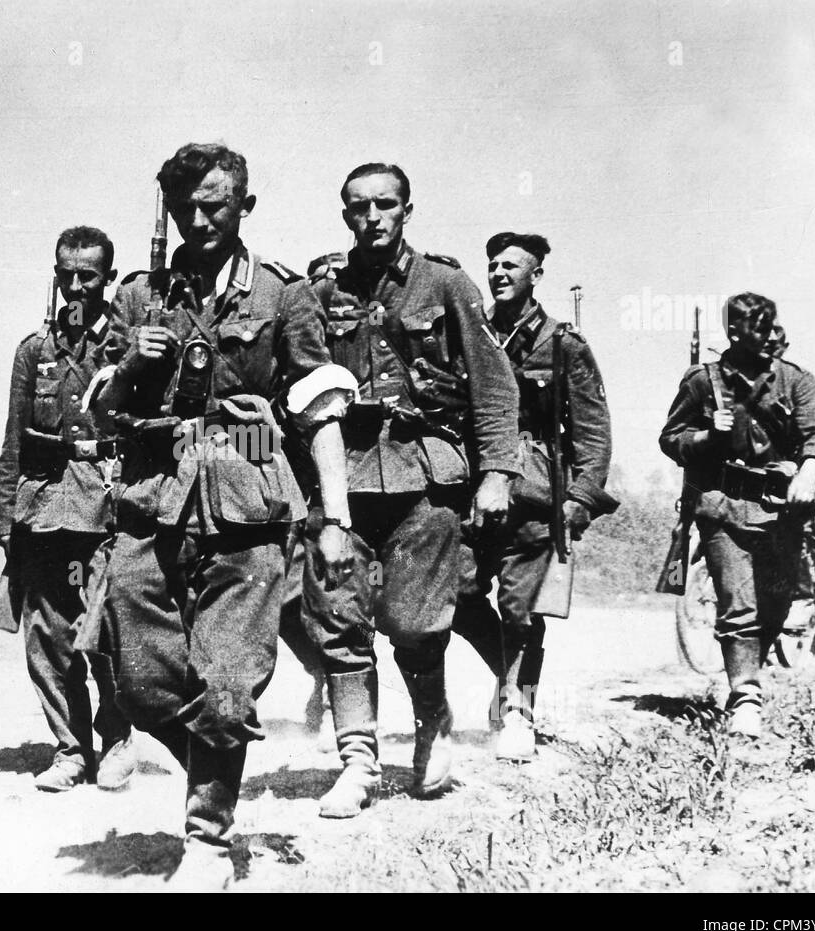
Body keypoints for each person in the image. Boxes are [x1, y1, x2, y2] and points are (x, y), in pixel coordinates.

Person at [93, 143, 356, 889]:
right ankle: (217, 761)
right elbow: (103, 409)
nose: (200, 219)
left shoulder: (284, 295)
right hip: (153, 503)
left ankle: (206, 837)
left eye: (215, 204)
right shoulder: (140, 294)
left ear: (244, 205)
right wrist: (137, 364)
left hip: (249, 505)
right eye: (186, 208)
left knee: (230, 680)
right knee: (139, 682)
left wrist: (333, 515)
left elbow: (320, 408)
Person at [302, 164, 521, 817]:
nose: (372, 217)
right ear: (345, 215)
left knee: (415, 624)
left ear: (406, 210)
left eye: (385, 205)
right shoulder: (322, 295)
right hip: (343, 476)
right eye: (358, 207)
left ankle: (432, 729)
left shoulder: (447, 285)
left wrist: (497, 474)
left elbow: (494, 386)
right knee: (338, 618)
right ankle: (358, 761)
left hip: (426, 474)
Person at [453, 232, 615, 761]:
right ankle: (509, 676)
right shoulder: (469, 335)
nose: (499, 274)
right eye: (493, 266)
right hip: (472, 491)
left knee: (521, 609)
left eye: (512, 267)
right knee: (456, 594)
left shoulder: (562, 344)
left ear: (536, 276)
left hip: (536, 497)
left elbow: (592, 429)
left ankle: (518, 711)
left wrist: (582, 499)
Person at [0, 226, 136, 792]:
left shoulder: (124, 349)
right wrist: (4, 519)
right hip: (44, 505)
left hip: (107, 502)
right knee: (46, 635)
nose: (75, 287)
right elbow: (13, 438)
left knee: (104, 630)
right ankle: (71, 749)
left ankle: (117, 737)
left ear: (108, 280)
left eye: (88, 277)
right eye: (66, 275)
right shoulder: (34, 351)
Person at [660, 292, 815, 738]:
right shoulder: (703, 381)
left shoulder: (796, 380)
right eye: (756, 327)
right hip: (723, 506)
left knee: (775, 606)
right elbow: (671, 438)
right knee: (739, 604)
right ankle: (746, 697)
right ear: (734, 332)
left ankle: (748, 677)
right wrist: (704, 438)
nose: (767, 335)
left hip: (783, 510)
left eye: (769, 324)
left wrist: (809, 472)